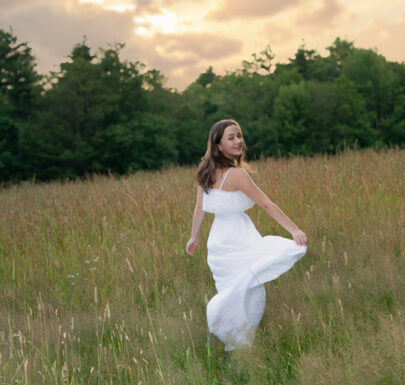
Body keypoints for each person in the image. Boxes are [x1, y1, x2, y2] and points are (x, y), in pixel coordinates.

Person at [185, 119, 307, 351]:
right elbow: (266, 204)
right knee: (248, 292)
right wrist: (294, 230)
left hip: (218, 240)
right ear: (218, 145)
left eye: (239, 136)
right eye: (231, 137)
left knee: (238, 290)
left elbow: (200, 208)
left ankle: (228, 339)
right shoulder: (236, 174)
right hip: (236, 239)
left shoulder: (204, 171)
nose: (238, 141)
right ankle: (230, 338)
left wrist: (195, 237)